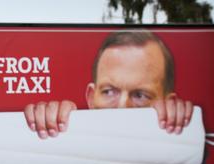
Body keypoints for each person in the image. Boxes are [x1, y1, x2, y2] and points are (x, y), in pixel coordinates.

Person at [23, 30, 194, 139]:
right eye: (109, 92)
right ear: (91, 97)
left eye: (140, 95)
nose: (122, 107)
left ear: (169, 103)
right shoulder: (59, 157)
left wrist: (185, 130)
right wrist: (47, 137)